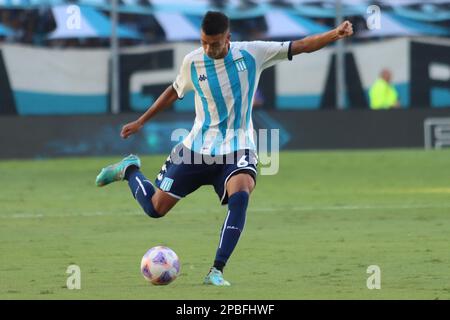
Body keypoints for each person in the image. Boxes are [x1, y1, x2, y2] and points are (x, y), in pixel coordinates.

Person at [96, 11, 353, 286]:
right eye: (205, 42)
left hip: (238, 146)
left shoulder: (253, 53)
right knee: (155, 209)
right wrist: (141, 120)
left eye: (215, 44)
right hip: (195, 148)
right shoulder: (192, 61)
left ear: (228, 39)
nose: (209, 49)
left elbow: (299, 46)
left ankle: (216, 270)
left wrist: (334, 34)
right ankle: (130, 169)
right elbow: (174, 90)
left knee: (241, 193)